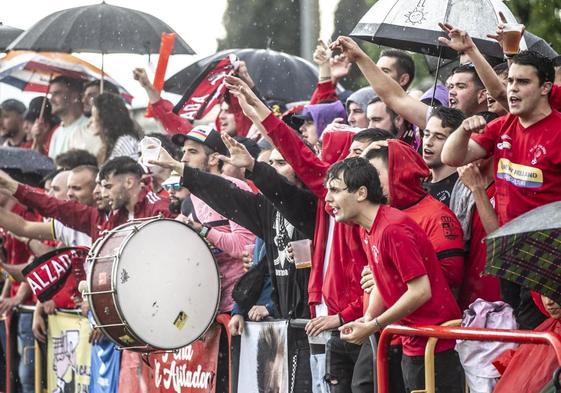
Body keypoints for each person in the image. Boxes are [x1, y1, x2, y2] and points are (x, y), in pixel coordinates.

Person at [441, 50, 561, 329]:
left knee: (543, 349)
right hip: (511, 256)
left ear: (546, 88)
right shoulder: (502, 126)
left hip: (548, 259)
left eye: (523, 82)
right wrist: (462, 131)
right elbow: (452, 157)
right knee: (523, 341)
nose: (513, 89)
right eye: (511, 82)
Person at [324, 157, 463, 392]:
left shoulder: (392, 228)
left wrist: (375, 324)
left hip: (435, 344)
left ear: (361, 193)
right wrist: (367, 318)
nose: (328, 199)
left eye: (335, 190)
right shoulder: (367, 228)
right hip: (412, 340)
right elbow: (381, 281)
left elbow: (420, 291)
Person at [422, 107, 466, 206]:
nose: (428, 142)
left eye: (438, 137)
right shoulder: (419, 184)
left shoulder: (463, 189)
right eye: (426, 134)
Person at [47, 76, 92, 159]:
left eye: (56, 93)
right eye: (51, 94)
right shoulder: (56, 132)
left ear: (74, 97)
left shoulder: (89, 128)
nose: (51, 100)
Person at [91, 93, 141, 164]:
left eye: (94, 116)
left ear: (106, 119)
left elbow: (130, 172)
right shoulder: (108, 145)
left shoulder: (126, 142)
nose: (90, 121)